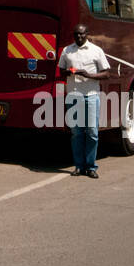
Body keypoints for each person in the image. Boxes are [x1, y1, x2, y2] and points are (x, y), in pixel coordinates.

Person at [57, 25, 113, 179]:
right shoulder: (67, 50)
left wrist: (88, 75)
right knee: (76, 133)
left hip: (91, 95)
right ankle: (79, 166)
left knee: (92, 132)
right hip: (74, 96)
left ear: (87, 34)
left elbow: (107, 73)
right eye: (76, 34)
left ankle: (91, 166)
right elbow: (61, 70)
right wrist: (69, 72)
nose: (79, 37)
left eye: (81, 34)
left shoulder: (96, 50)